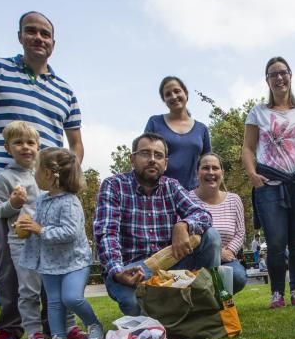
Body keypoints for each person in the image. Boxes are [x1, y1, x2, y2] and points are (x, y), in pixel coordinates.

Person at [0, 11, 85, 339]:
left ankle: (59, 324)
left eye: (45, 34)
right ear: (20, 36)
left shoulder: (64, 89)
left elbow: (75, 140)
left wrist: (68, 179)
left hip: (49, 187)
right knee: (12, 260)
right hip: (7, 181)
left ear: (53, 42)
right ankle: (11, 327)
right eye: (31, 32)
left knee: (57, 253)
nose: (38, 38)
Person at [94, 132, 219, 317]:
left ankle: (209, 301)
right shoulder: (113, 185)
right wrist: (117, 271)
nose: (152, 160)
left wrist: (183, 225)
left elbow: (203, 214)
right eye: (145, 153)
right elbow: (106, 233)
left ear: (166, 164)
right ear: (132, 159)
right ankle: (169, 309)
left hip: (167, 263)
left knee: (211, 236)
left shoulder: (171, 186)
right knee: (134, 307)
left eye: (158, 155)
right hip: (132, 268)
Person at [243, 56, 295, 308]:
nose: (279, 78)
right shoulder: (258, 112)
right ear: (267, 80)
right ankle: (277, 293)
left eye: (283, 73)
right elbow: (247, 147)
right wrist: (253, 174)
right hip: (270, 185)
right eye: (273, 74)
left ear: (290, 76)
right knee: (276, 242)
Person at [17, 148, 103, 339]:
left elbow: (70, 232)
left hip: (75, 262)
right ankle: (58, 337)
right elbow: (39, 223)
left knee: (72, 298)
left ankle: (94, 323)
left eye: (36, 170)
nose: (34, 174)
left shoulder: (70, 202)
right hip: (50, 262)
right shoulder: (42, 200)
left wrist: (40, 230)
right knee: (54, 302)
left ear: (48, 174)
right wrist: (27, 226)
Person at [0, 121, 47, 339]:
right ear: (7, 147)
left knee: (53, 287)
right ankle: (34, 332)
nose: (25, 147)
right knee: (29, 288)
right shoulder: (4, 178)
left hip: (47, 239)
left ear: (38, 146)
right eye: (18, 143)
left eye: (30, 142)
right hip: (22, 241)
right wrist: (13, 204)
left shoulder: (44, 175)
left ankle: (64, 325)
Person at [191, 152, 247, 294]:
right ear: (197, 172)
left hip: (227, 259)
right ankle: (209, 302)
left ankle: (216, 303)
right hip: (197, 261)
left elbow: (240, 233)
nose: (211, 172)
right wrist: (216, 253)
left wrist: (229, 251)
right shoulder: (187, 198)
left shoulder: (234, 200)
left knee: (238, 276)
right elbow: (186, 234)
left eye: (215, 168)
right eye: (205, 168)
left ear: (222, 173)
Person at [144, 76, 212, 190]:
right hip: (159, 193)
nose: (173, 96)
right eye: (168, 94)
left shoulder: (202, 129)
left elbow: (208, 164)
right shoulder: (155, 123)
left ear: (185, 93)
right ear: (164, 100)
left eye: (177, 91)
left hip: (192, 195)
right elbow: (144, 156)